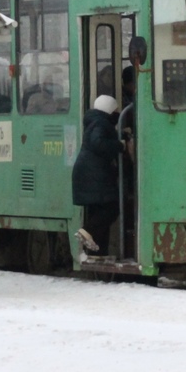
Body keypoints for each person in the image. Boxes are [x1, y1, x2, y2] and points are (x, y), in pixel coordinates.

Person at [72, 94, 121, 257]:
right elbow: (98, 143)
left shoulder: (94, 120)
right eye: (115, 110)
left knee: (97, 209)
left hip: (88, 172)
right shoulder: (101, 123)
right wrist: (119, 145)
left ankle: (98, 252)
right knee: (112, 208)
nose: (118, 113)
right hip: (94, 174)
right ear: (109, 110)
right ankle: (87, 231)